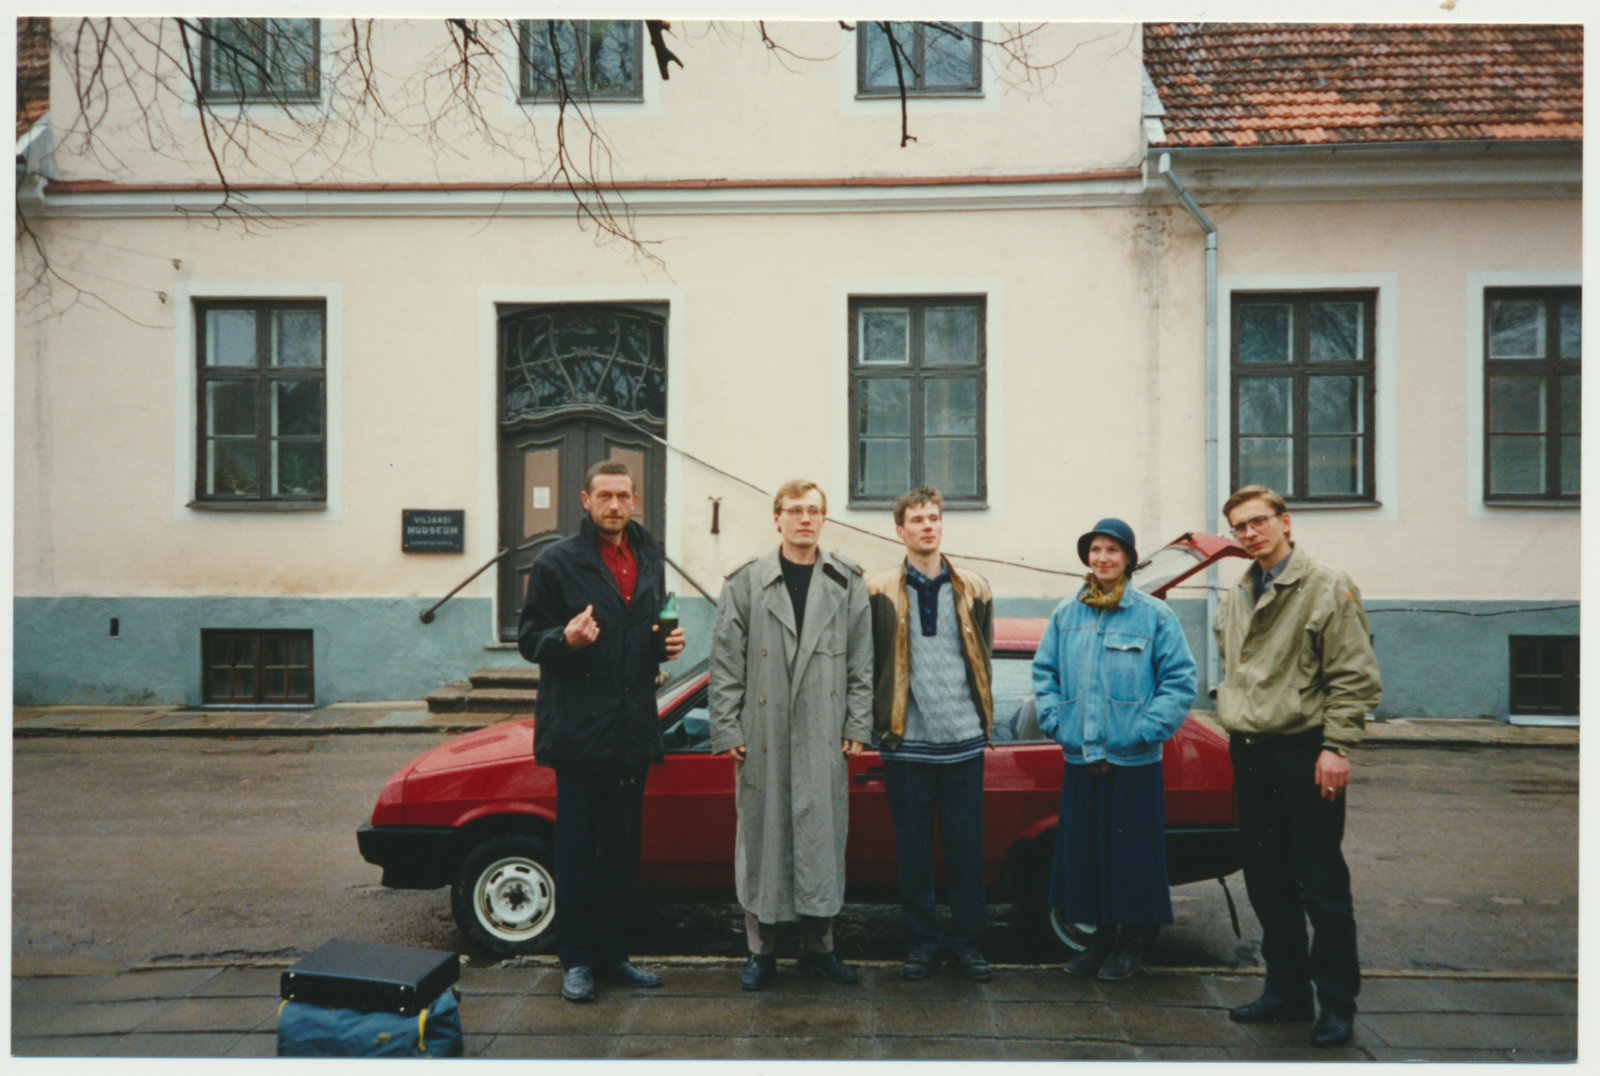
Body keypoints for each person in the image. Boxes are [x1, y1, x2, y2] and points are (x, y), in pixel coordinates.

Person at [1214, 485, 1381, 1048]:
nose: (1249, 533)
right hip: (1251, 750)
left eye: (1258, 521)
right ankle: (1287, 990)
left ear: (1286, 523)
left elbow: (1353, 673)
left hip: (1305, 751)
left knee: (1321, 883)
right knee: (1267, 880)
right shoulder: (1240, 591)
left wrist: (1337, 747)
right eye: (1239, 527)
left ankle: (1336, 1003)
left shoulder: (1325, 586)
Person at [517, 460, 685, 1003]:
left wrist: (664, 645)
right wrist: (565, 639)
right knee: (575, 852)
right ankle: (576, 961)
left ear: (635, 499)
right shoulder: (557, 561)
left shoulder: (648, 554)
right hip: (579, 731)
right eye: (604, 496)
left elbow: (646, 627)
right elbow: (528, 639)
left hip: (631, 728)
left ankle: (614, 955)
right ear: (585, 500)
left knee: (620, 851)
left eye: (623, 496)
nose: (615, 505)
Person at [708, 479, 873, 990]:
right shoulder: (746, 583)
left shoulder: (845, 582)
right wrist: (727, 726)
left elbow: (863, 664)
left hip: (823, 731)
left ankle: (819, 947)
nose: (805, 519)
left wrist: (857, 724)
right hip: (763, 731)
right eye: (795, 510)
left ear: (824, 519)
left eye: (814, 511)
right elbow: (725, 662)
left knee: (822, 838)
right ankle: (761, 952)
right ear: (776, 517)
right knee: (762, 837)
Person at [1031, 517, 1198, 982]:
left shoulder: (1154, 615)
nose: (1103, 559)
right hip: (1081, 759)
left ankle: (1131, 944)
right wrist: (1054, 720)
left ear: (1128, 559)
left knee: (1133, 858)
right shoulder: (1067, 614)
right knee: (1087, 856)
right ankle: (1099, 940)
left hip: (1134, 761)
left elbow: (1180, 681)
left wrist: (1146, 729)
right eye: (1095, 550)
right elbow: (1045, 673)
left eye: (1112, 551)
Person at [867, 486, 995, 982]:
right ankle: (921, 944)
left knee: (967, 850)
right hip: (906, 744)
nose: (927, 526)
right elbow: (871, 662)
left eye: (934, 518)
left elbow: (981, 655)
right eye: (917, 519)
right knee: (913, 853)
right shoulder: (877, 590)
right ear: (900, 530)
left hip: (963, 742)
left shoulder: (974, 587)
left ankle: (967, 945)